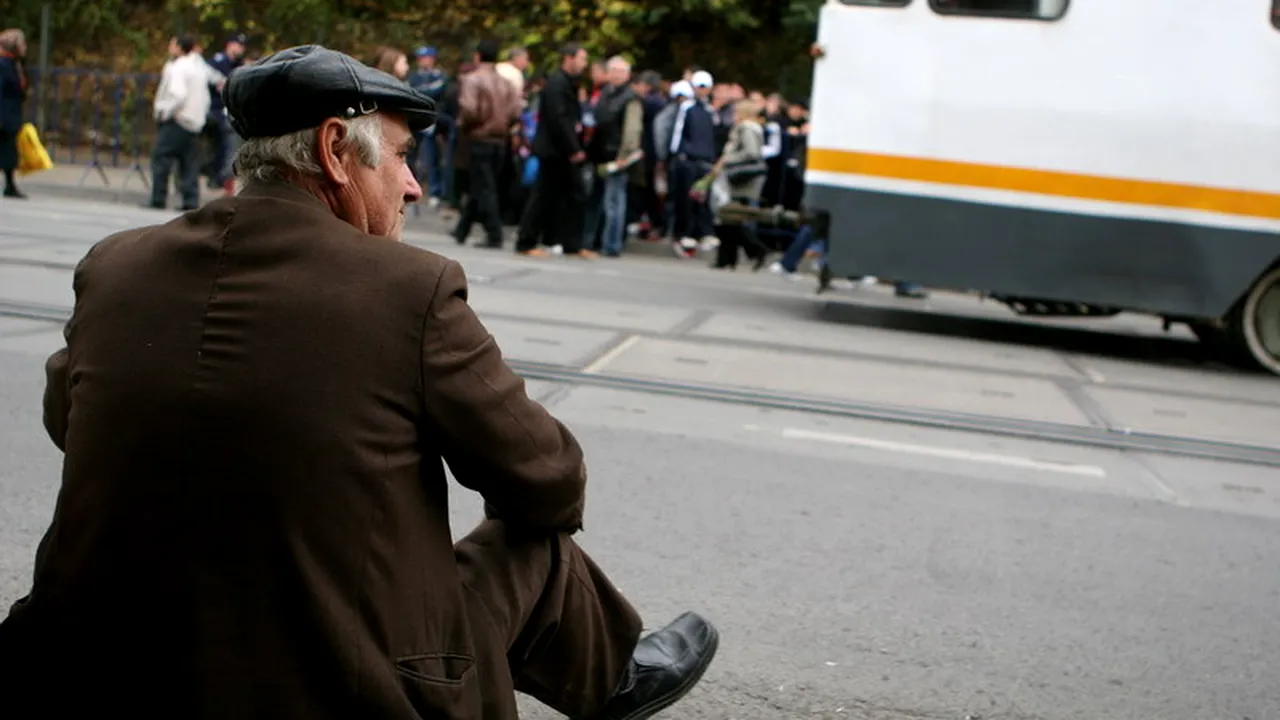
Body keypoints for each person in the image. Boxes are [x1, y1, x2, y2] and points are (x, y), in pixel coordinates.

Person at [0, 45, 718, 719]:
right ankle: (612, 679)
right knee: (534, 544)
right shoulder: (411, 288)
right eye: (403, 158)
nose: (413, 184)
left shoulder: (115, 264)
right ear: (335, 150)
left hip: (88, 665)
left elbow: (69, 420)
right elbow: (549, 482)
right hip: (335, 689)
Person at [515, 42, 595, 258]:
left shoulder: (568, 83)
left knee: (569, 195)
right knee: (544, 196)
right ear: (569, 58)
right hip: (555, 150)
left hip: (560, 150)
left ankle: (570, 243)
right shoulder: (557, 85)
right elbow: (559, 119)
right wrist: (574, 148)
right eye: (582, 58)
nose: (584, 64)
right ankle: (526, 241)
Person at [452, 39, 521, 249]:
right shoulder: (506, 83)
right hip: (500, 139)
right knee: (482, 184)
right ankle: (462, 230)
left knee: (485, 186)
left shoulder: (472, 80)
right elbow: (515, 111)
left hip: (479, 137)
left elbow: (469, 109)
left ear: (477, 56)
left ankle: (494, 233)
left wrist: (465, 125)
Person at [148, 34, 212, 210]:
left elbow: (178, 94)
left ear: (178, 47)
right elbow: (205, 97)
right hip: (194, 121)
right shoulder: (198, 68)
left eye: (172, 43)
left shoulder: (179, 68)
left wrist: (165, 112)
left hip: (177, 119)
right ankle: (190, 200)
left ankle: (158, 198)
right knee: (189, 163)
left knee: (161, 158)